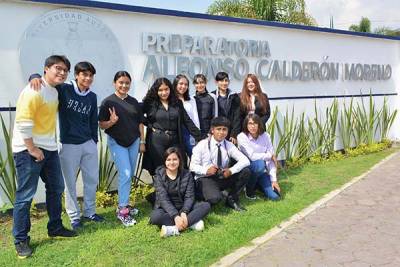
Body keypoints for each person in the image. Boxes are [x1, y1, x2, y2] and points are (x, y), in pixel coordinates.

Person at [12, 55, 77, 259]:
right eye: (57, 68)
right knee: (25, 196)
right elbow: (23, 122)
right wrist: (32, 148)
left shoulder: (55, 90)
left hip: (49, 149)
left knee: (56, 188)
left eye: (65, 70)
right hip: (28, 150)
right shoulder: (34, 89)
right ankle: (21, 240)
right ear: (46, 69)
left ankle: (55, 227)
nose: (62, 72)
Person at [29, 61, 103, 231]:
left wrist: (94, 141)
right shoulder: (64, 89)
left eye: (91, 75)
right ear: (76, 75)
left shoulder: (92, 96)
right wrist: (34, 77)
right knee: (69, 183)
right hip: (68, 145)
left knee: (91, 180)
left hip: (88, 144)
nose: (88, 78)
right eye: (84, 74)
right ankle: (74, 216)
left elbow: (93, 121)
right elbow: (47, 82)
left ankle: (90, 212)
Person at [98, 71, 145, 227]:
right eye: (121, 82)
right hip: (117, 142)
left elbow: (140, 123)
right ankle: (122, 210)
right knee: (125, 173)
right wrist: (111, 122)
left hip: (133, 141)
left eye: (127, 83)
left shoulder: (134, 102)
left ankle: (125, 204)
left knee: (129, 174)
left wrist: (142, 141)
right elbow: (102, 124)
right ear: (114, 83)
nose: (124, 85)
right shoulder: (107, 102)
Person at [142, 77, 202, 176]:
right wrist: (149, 124)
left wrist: (200, 137)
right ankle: (161, 191)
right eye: (160, 90)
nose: (164, 92)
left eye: (166, 89)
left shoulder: (177, 102)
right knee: (160, 168)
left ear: (170, 89)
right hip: (157, 140)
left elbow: (187, 121)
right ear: (156, 91)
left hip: (175, 139)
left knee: (179, 165)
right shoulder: (150, 103)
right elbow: (138, 115)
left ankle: (178, 190)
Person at [190, 116, 251, 211]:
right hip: (205, 178)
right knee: (214, 199)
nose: (221, 132)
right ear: (212, 130)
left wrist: (231, 170)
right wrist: (206, 170)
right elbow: (192, 166)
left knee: (246, 171)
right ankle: (200, 194)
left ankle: (231, 198)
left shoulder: (228, 145)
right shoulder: (202, 145)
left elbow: (245, 160)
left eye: (224, 130)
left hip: (221, 176)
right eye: (218, 129)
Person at [150, 147, 211, 237]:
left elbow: (189, 196)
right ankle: (191, 223)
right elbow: (163, 199)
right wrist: (175, 216)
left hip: (184, 207)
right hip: (166, 210)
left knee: (206, 206)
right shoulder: (158, 175)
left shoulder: (187, 174)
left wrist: (184, 212)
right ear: (165, 161)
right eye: (168, 160)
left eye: (175, 159)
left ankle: (173, 229)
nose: (172, 162)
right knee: (155, 217)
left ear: (179, 160)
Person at [237, 114, 280, 200]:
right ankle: (249, 190)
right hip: (248, 170)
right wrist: (269, 155)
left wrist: (274, 180)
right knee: (260, 164)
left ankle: (258, 184)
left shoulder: (266, 136)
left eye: (255, 123)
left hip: (262, 171)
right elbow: (252, 156)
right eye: (250, 123)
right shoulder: (241, 137)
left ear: (259, 124)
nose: (252, 126)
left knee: (275, 196)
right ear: (246, 125)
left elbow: (271, 161)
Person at [173, 74, 200, 157]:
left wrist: (197, 133)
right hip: (176, 131)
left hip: (190, 131)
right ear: (175, 84)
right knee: (179, 156)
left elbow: (195, 116)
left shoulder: (191, 99)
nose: (183, 86)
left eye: (186, 84)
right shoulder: (171, 99)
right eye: (181, 84)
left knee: (194, 155)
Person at [211, 72, 241, 144]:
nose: (224, 83)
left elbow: (237, 116)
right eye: (221, 81)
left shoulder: (234, 96)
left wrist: (234, 134)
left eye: (226, 80)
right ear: (216, 82)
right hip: (217, 132)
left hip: (230, 132)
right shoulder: (212, 96)